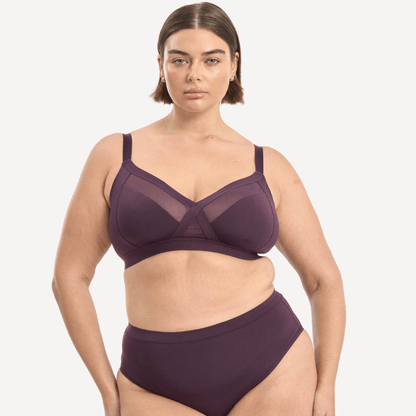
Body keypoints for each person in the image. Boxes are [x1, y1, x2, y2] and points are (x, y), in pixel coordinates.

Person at [52, 2, 346, 416]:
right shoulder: (114, 155)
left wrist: (327, 387)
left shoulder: (269, 166)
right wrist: (107, 389)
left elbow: (322, 280)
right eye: (180, 60)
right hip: (152, 384)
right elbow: (69, 276)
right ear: (160, 65)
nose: (194, 74)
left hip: (271, 369)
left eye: (211, 60)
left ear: (234, 65)